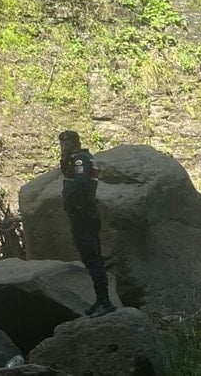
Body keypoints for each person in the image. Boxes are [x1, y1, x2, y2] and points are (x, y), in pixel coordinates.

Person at [59, 130, 116, 318]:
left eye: (64, 144)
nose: (62, 148)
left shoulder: (79, 160)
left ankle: (105, 301)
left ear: (73, 143)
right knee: (92, 258)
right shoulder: (82, 159)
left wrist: (73, 202)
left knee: (92, 258)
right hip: (85, 213)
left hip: (82, 214)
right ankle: (101, 299)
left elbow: (81, 182)